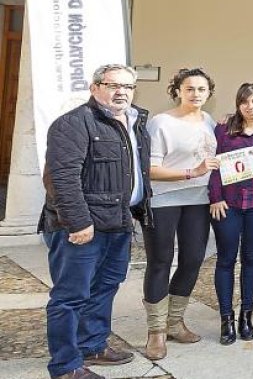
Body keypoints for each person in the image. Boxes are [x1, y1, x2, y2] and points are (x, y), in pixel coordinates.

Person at [41, 64, 151, 379]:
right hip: (82, 228)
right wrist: (77, 223)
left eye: (128, 87)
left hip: (117, 223)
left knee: (105, 287)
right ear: (94, 88)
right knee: (70, 296)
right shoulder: (73, 124)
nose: (121, 92)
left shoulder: (135, 121)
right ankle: (65, 365)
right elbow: (62, 178)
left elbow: (135, 172)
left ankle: (92, 345)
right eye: (112, 85)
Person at [143, 68, 219, 359]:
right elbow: (151, 168)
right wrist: (192, 172)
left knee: (192, 260)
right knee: (160, 261)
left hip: (199, 200)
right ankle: (156, 331)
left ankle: (175, 322)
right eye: (190, 89)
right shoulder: (161, 122)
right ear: (178, 90)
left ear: (209, 92)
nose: (196, 94)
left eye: (201, 89)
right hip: (164, 199)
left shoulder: (209, 122)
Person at [209, 83, 253, 344]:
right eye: (245, 102)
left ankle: (246, 315)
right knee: (225, 259)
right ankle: (226, 318)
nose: (251, 106)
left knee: (251, 257)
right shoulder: (223, 130)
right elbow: (214, 165)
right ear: (238, 104)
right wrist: (214, 197)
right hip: (227, 204)